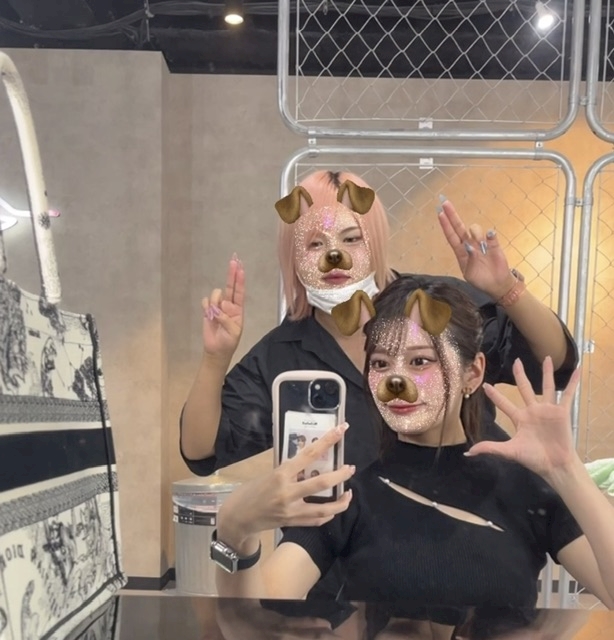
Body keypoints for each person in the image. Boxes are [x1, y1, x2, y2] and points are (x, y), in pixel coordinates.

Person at [211, 278, 614, 609]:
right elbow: (256, 623)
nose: (395, 380)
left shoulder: (523, 486)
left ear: (473, 373)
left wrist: (566, 471)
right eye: (380, 363)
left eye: (420, 361)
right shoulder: (348, 495)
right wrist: (234, 532)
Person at [180, 171, 577, 477]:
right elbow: (201, 451)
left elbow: (555, 364)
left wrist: (506, 290)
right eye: (314, 244)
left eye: (352, 239)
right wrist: (215, 358)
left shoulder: (437, 306)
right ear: (293, 256)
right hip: (340, 549)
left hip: (469, 524)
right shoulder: (282, 354)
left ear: (375, 241)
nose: (334, 256)